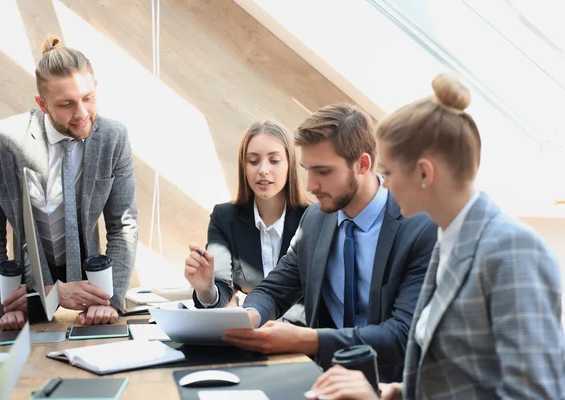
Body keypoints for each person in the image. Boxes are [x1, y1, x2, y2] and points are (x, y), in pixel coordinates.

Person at [312, 74, 565, 399]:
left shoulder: (513, 251)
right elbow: (466, 376)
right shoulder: (449, 239)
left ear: (423, 173)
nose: (384, 185)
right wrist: (400, 394)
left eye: (388, 173)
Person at [221, 104, 437, 382]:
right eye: (307, 170)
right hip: (323, 379)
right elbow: (274, 290)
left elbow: (402, 335)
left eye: (323, 171)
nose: (310, 185)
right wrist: (251, 315)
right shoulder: (315, 219)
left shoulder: (420, 226)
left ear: (363, 164)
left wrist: (308, 340)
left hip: (391, 386)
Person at [0, 36, 138, 331]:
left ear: (96, 88)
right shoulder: (1, 142)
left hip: (93, 281)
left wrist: (110, 298)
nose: (82, 114)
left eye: (88, 98)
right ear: (42, 104)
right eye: (66, 104)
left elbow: (123, 226)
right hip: (25, 290)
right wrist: (5, 304)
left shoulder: (114, 137)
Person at [185, 121, 310, 325]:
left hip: (300, 338)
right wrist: (206, 290)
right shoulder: (224, 217)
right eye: (253, 161)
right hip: (248, 334)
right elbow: (222, 291)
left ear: (290, 164)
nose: (263, 170)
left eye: (274, 160)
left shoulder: (313, 218)